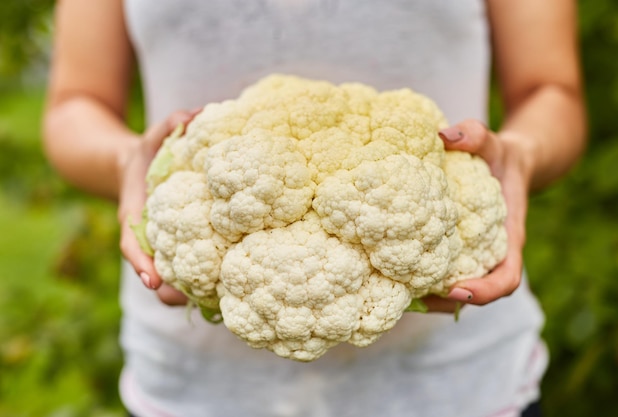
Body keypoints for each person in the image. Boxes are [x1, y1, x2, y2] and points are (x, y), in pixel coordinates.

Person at [43, 1, 586, 416]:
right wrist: (126, 162)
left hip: (458, 384)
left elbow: (551, 89)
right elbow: (75, 103)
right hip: (195, 389)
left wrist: (522, 154)